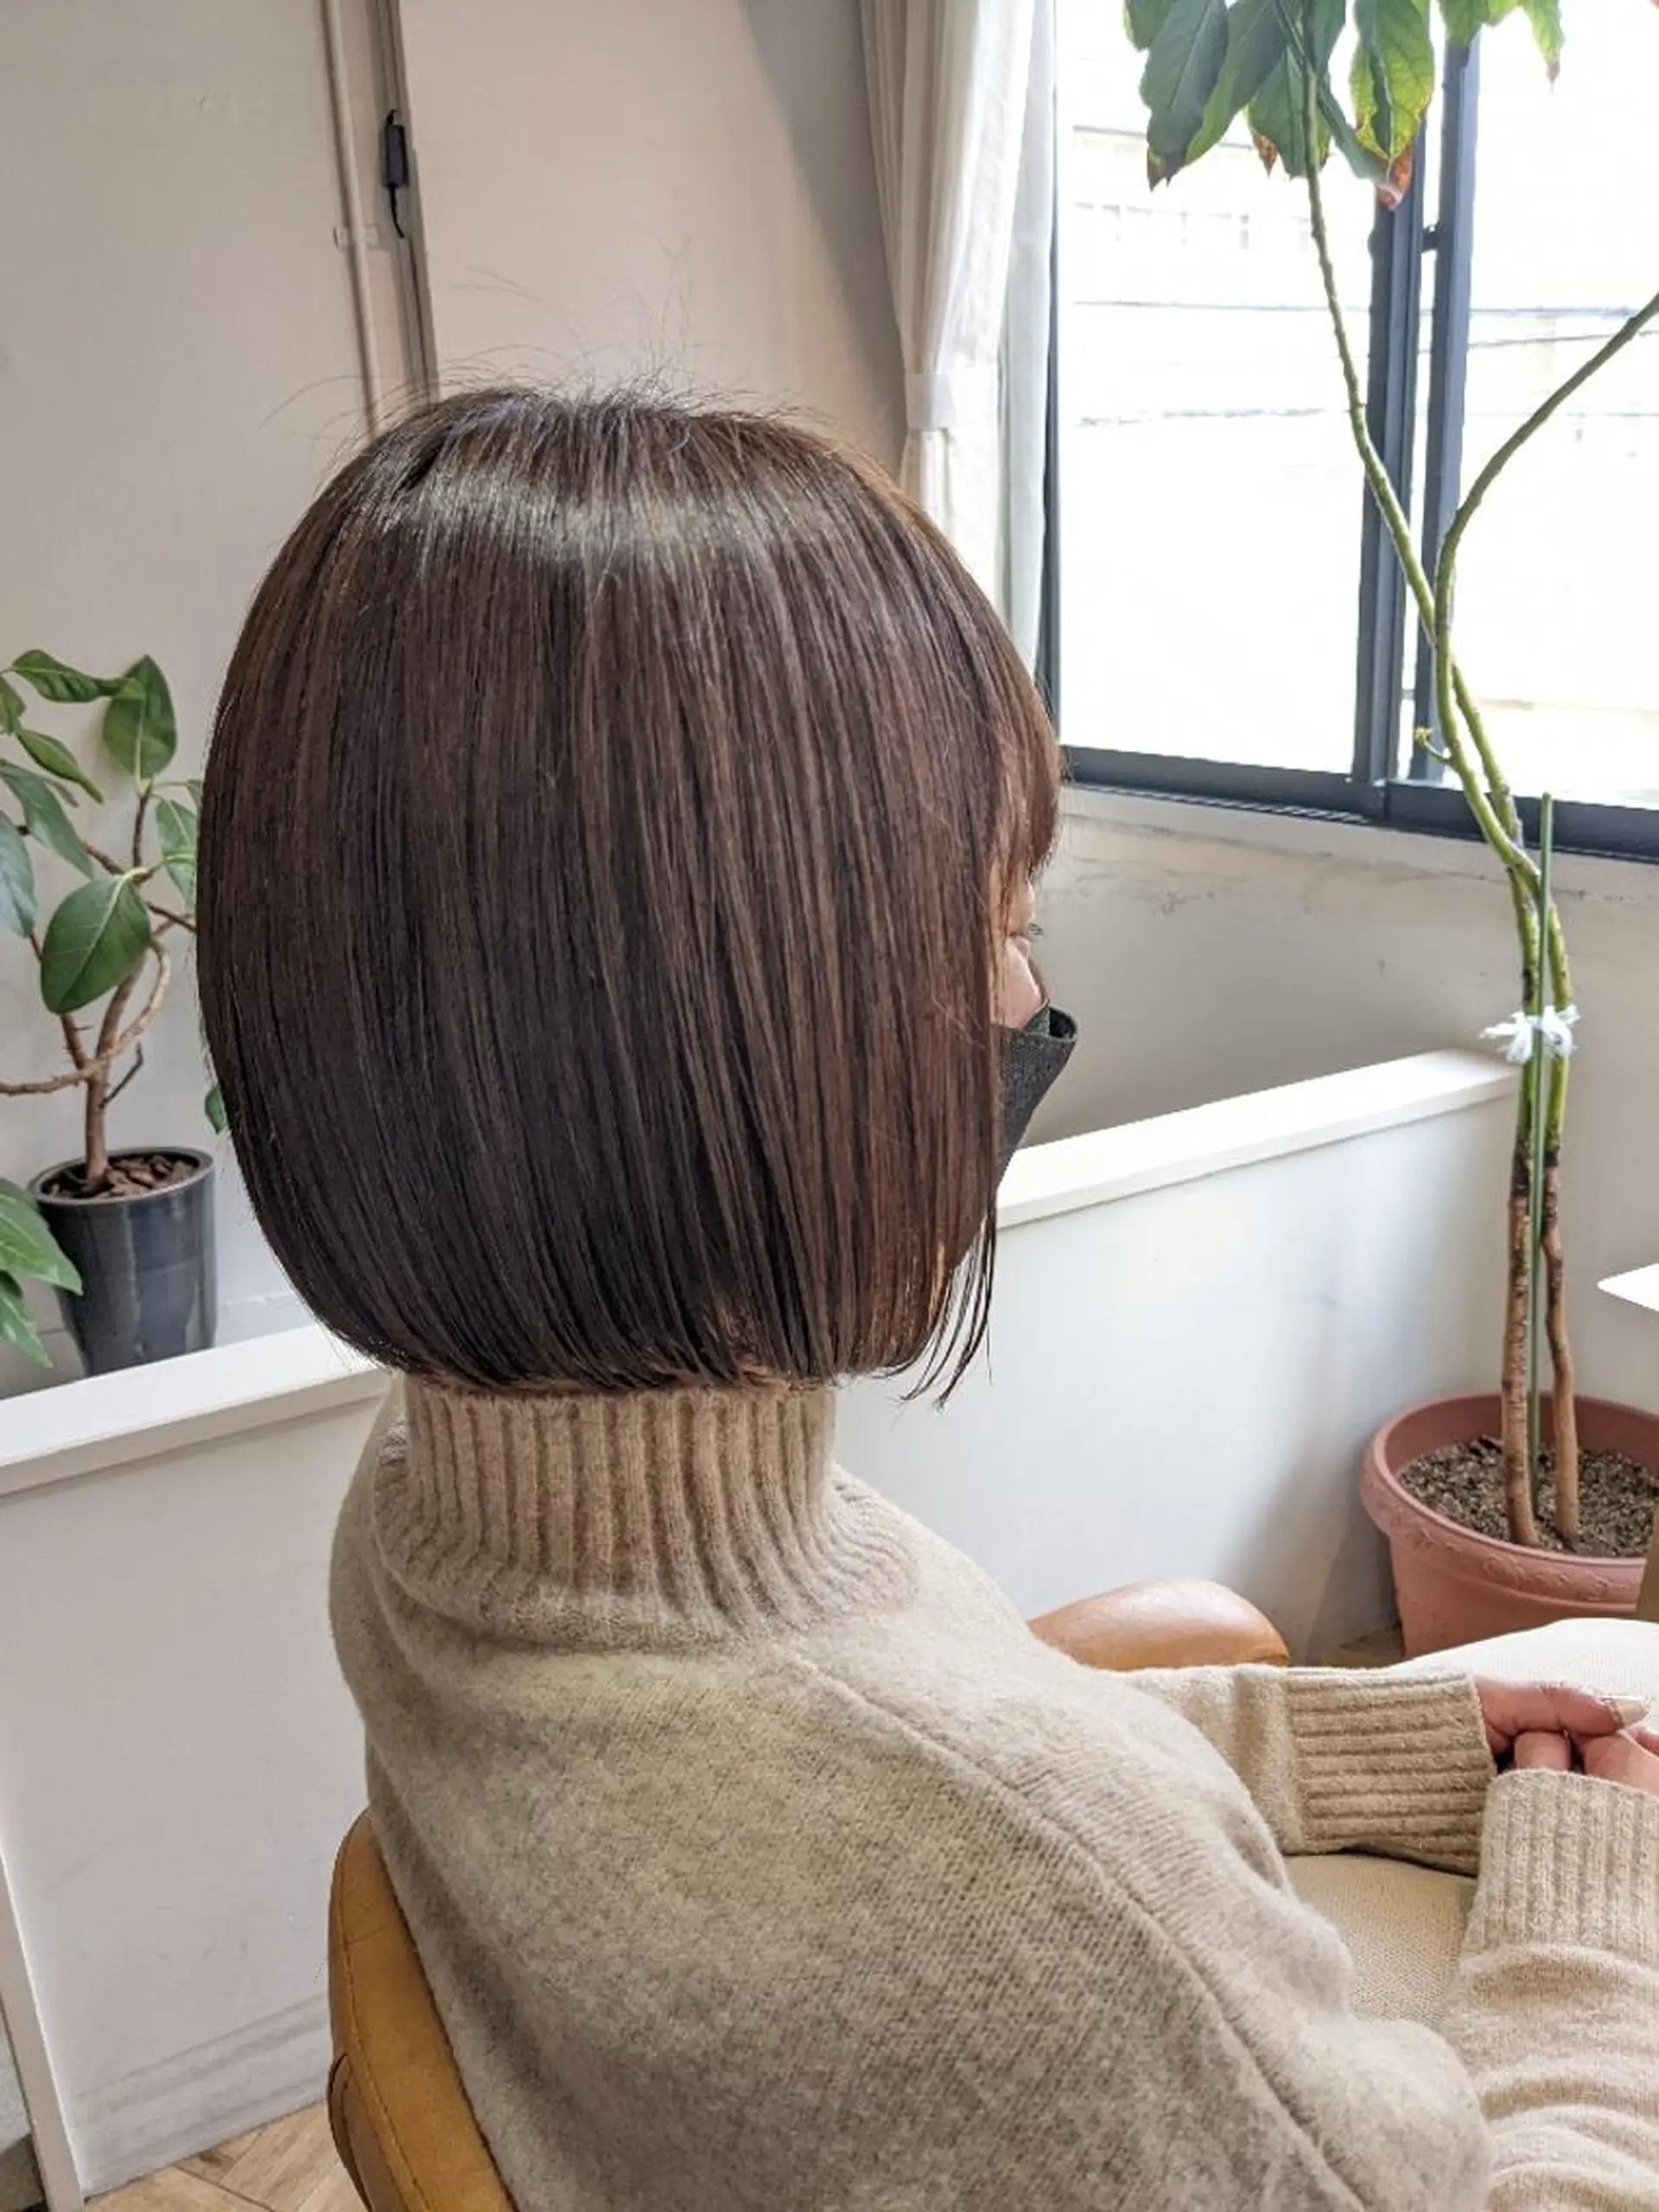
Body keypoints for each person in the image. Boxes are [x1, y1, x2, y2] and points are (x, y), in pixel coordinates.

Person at [198, 388, 1659, 2210]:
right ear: (717, 1044)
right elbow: (998, 1841)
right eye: (993, 923)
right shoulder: (1033, 1923)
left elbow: (982, 1748)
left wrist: (1387, 1746)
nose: (1025, 998)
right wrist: (1587, 1921)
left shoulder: (442, 1508)